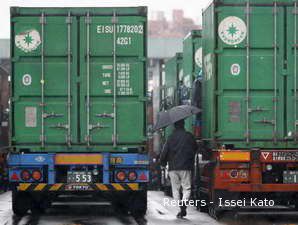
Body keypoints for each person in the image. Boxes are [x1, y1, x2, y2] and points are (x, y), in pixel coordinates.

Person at [160, 119, 197, 218]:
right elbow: (195, 148)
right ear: (184, 125)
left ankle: (180, 208)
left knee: (175, 189)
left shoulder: (170, 137)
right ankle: (184, 203)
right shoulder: (189, 136)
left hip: (173, 167)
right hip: (185, 166)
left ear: (174, 126)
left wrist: (162, 163)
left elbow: (164, 151)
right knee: (186, 187)